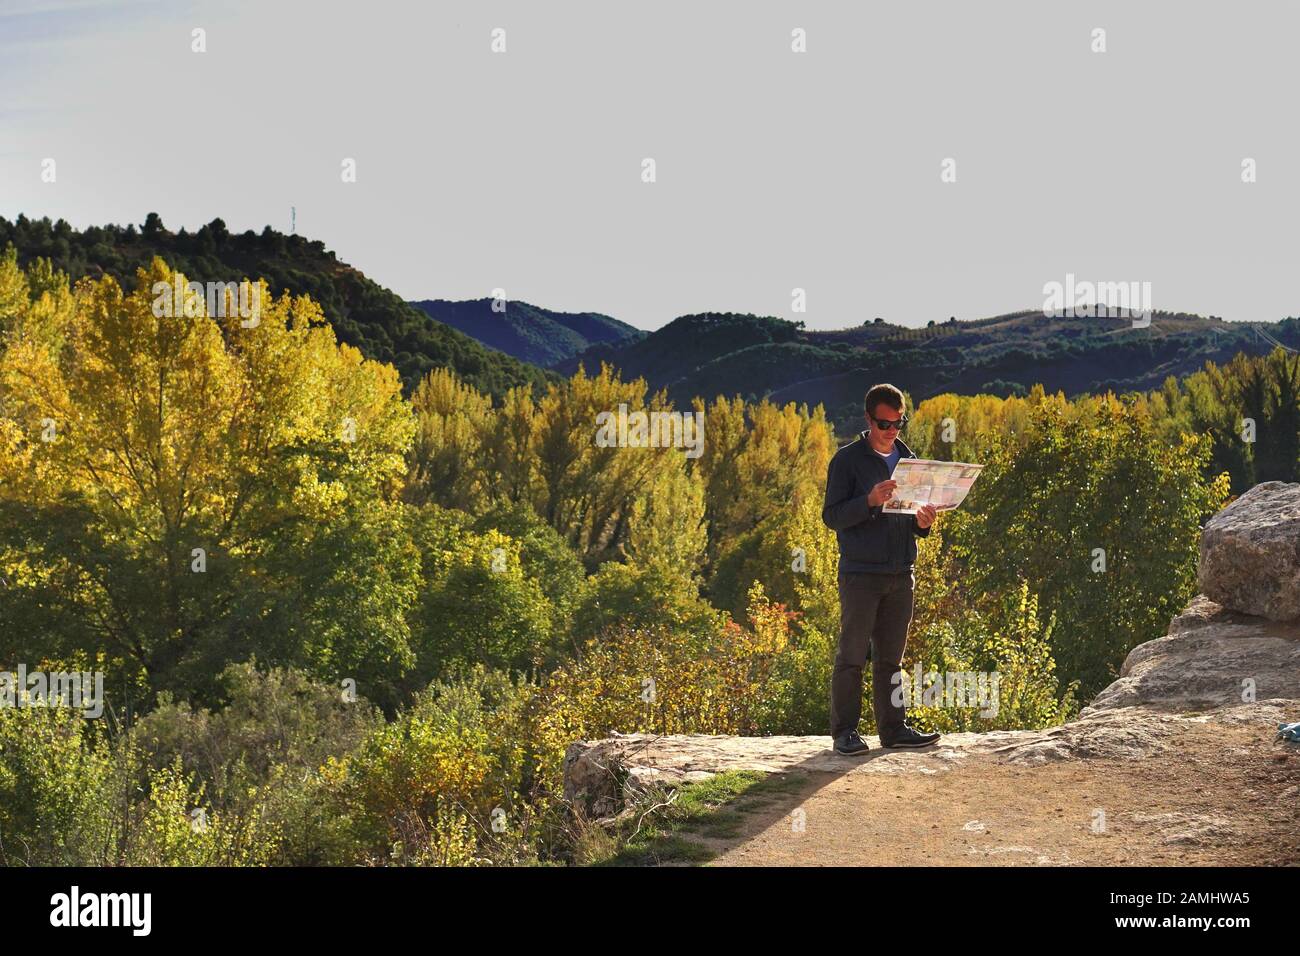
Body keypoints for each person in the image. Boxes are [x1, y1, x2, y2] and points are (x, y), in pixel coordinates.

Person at [821, 383, 941, 755]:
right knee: (852, 656)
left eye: (898, 423)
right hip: (860, 574)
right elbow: (832, 516)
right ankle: (845, 733)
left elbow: (912, 523)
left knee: (891, 659)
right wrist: (869, 501)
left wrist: (924, 522)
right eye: (885, 424)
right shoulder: (847, 460)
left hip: (901, 573)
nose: (892, 431)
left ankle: (894, 730)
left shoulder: (910, 460)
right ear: (868, 419)